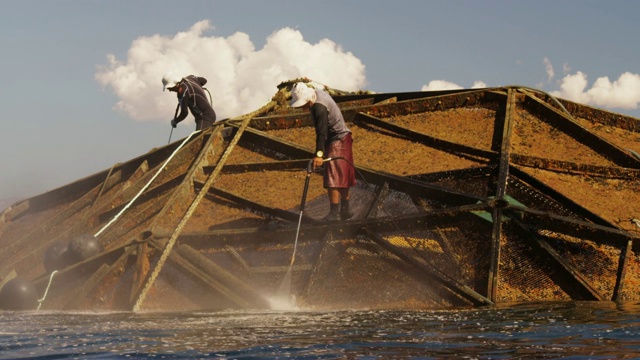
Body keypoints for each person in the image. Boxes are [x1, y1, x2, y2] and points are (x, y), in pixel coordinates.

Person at [290, 82, 356, 221]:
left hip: (338, 138)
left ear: (307, 100)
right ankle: (345, 210)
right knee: (342, 175)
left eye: (302, 105)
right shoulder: (316, 93)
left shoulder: (319, 107)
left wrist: (319, 155)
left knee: (332, 175)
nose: (302, 108)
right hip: (343, 137)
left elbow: (322, 132)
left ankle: (335, 213)